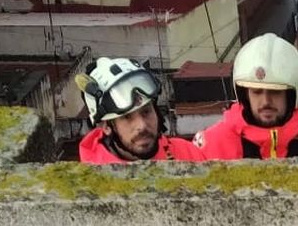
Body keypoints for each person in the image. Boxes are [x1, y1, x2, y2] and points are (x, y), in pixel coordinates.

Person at [199, 33, 298, 159]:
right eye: (256, 92)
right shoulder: (213, 144)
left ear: (292, 96)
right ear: (244, 95)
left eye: (275, 92)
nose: (265, 101)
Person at [75, 57, 204, 163]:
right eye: (127, 117)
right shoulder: (88, 183)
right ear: (106, 126)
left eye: (146, 111)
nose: (142, 125)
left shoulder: (185, 153)